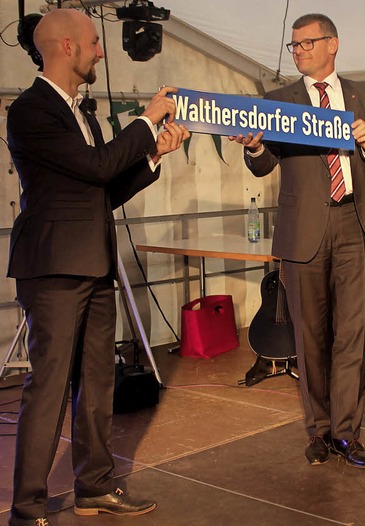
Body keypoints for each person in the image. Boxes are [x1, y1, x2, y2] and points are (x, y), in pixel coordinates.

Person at [6, 9, 189, 525]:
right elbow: (94, 166)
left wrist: (152, 155)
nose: (100, 52)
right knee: (48, 388)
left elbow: (101, 190)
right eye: (93, 43)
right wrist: (146, 122)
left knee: (97, 383)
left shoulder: (84, 114)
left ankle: (94, 487)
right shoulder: (30, 111)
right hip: (54, 269)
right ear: (66, 46)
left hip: (94, 262)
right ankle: (27, 509)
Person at [229, 13, 365, 469]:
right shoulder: (278, 101)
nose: (300, 51)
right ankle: (319, 431)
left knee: (351, 335)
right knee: (309, 339)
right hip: (304, 230)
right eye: (294, 45)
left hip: (354, 225)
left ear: (333, 45)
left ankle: (347, 434)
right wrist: (253, 146)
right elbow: (265, 166)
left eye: (308, 43)